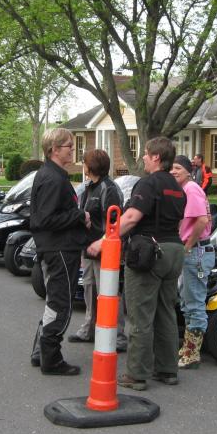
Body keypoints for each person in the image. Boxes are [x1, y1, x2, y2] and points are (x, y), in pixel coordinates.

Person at [88, 137, 186, 391]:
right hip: (175, 250)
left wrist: (103, 241)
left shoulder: (149, 183)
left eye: (145, 153)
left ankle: (136, 374)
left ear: (156, 157)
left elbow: (131, 217)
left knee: (140, 314)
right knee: (166, 312)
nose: (142, 157)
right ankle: (167, 369)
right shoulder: (178, 187)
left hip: (150, 253)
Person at [30, 128, 91, 376]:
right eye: (68, 146)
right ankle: (51, 359)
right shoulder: (54, 178)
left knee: (54, 302)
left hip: (55, 248)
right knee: (60, 304)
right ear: (54, 149)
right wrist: (80, 215)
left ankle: (40, 352)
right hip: (60, 250)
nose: (73, 150)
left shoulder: (50, 174)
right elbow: (45, 219)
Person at [67, 149, 127, 352]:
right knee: (90, 290)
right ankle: (89, 329)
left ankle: (117, 335)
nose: (82, 166)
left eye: (84, 163)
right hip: (89, 249)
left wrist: (102, 243)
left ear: (91, 166)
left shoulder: (109, 189)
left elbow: (114, 223)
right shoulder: (89, 187)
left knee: (108, 293)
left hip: (105, 252)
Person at [171, 155, 213, 369]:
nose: (173, 171)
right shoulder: (185, 189)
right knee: (187, 302)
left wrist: (187, 246)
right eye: (171, 168)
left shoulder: (191, 189)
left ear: (188, 171)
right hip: (192, 251)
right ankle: (188, 348)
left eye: (178, 168)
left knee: (194, 303)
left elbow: (202, 220)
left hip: (196, 252)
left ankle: (192, 353)